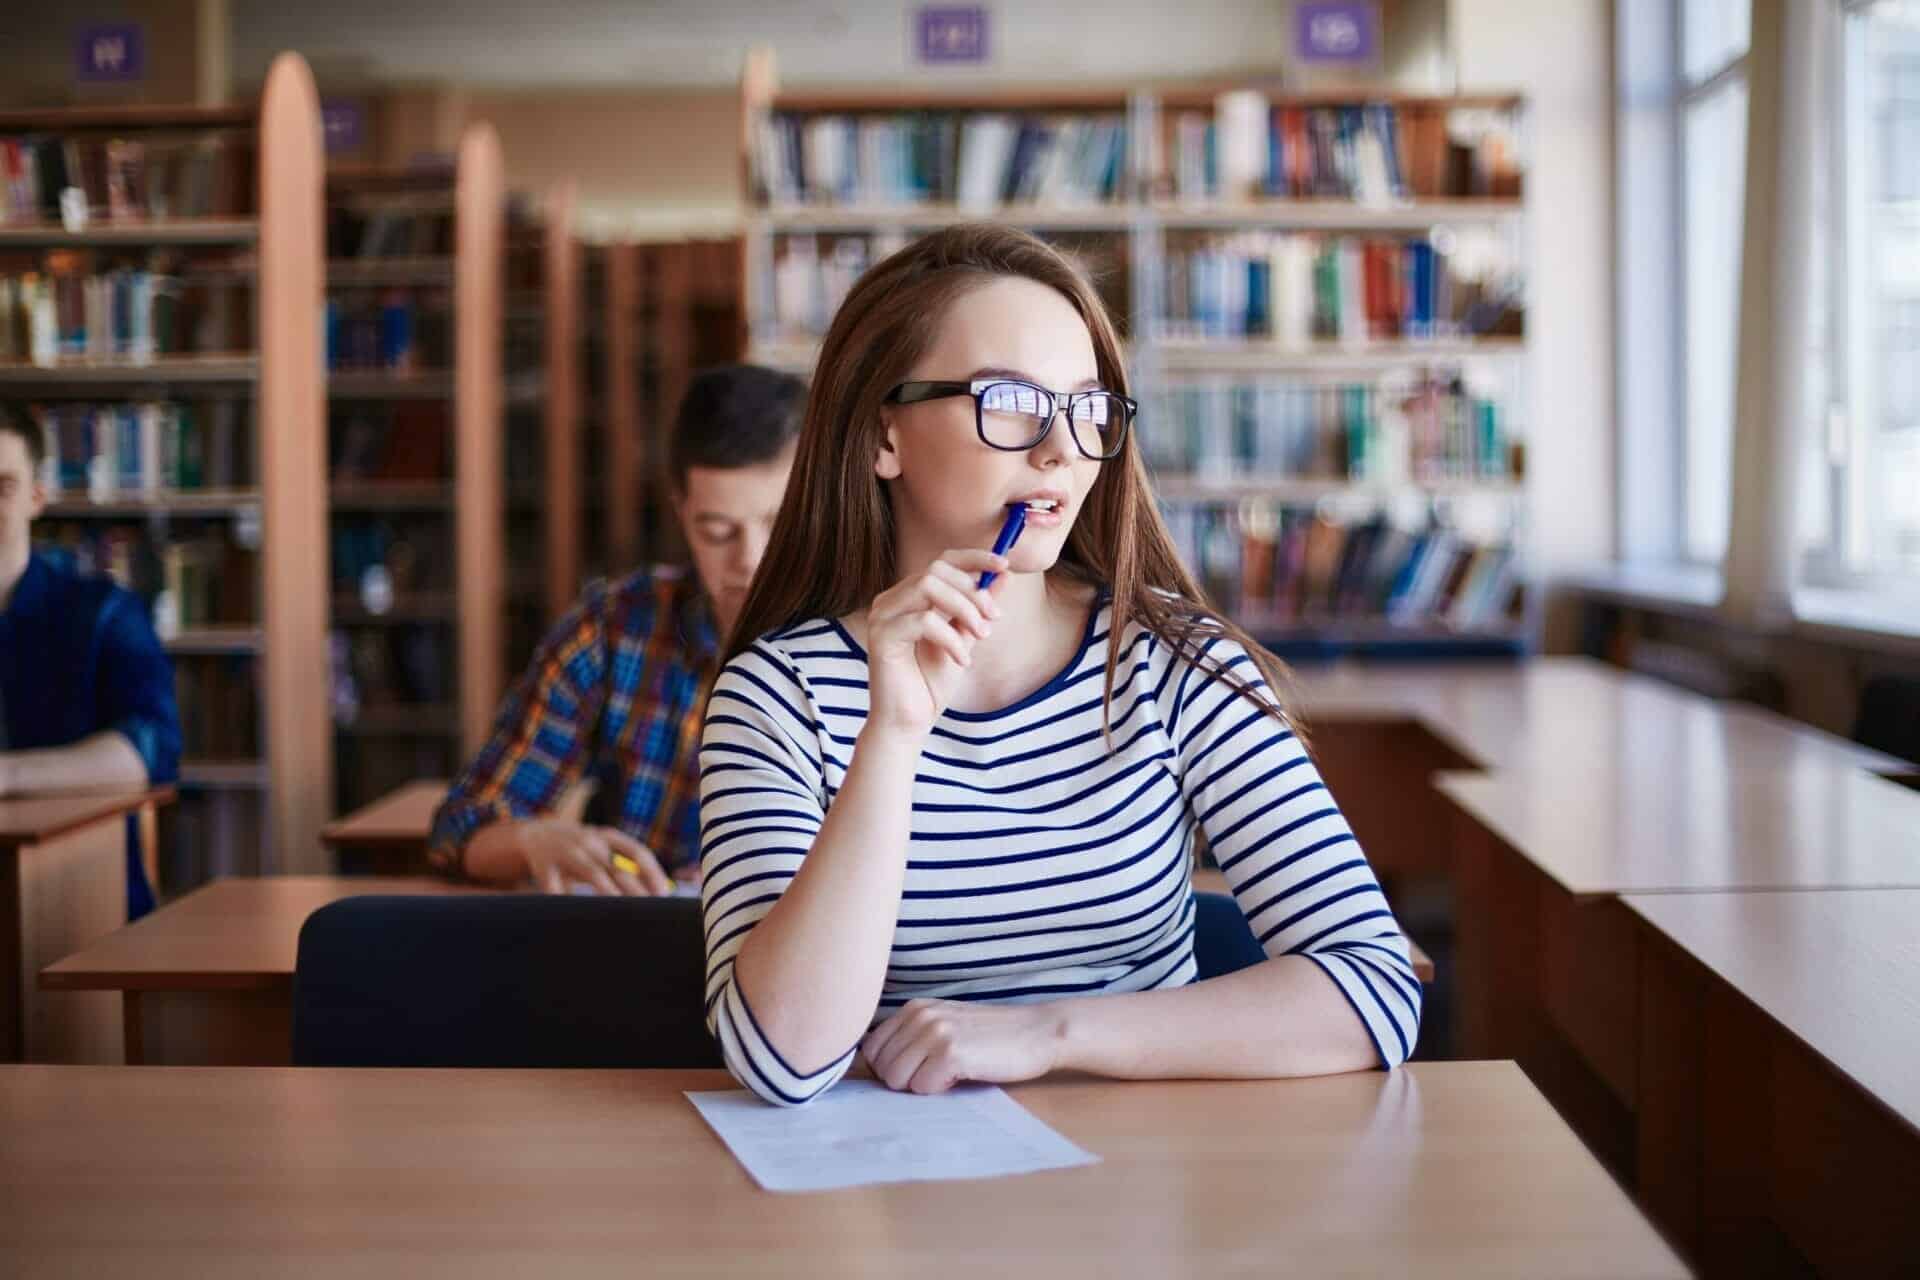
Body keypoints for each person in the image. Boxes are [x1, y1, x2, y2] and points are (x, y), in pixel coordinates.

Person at [699, 225, 1421, 1106]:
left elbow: (1375, 987)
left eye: (1087, 408)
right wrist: (891, 737)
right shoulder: (778, 693)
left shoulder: (1176, 662)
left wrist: (1045, 1031)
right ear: (883, 435)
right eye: (1009, 401)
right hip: (887, 1200)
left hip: (1144, 1193)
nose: (1061, 449)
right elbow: (784, 1060)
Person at [429, 364, 805, 895]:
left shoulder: (876, 642)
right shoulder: (613, 632)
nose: (751, 560)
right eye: (717, 532)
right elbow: (460, 829)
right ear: (681, 513)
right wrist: (533, 841)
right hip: (642, 953)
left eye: (778, 523)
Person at [0, 409, 180, 918]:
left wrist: (6, 776)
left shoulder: (103, 612)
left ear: (37, 497)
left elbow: (148, 750)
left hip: (81, 902)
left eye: (3, 487)